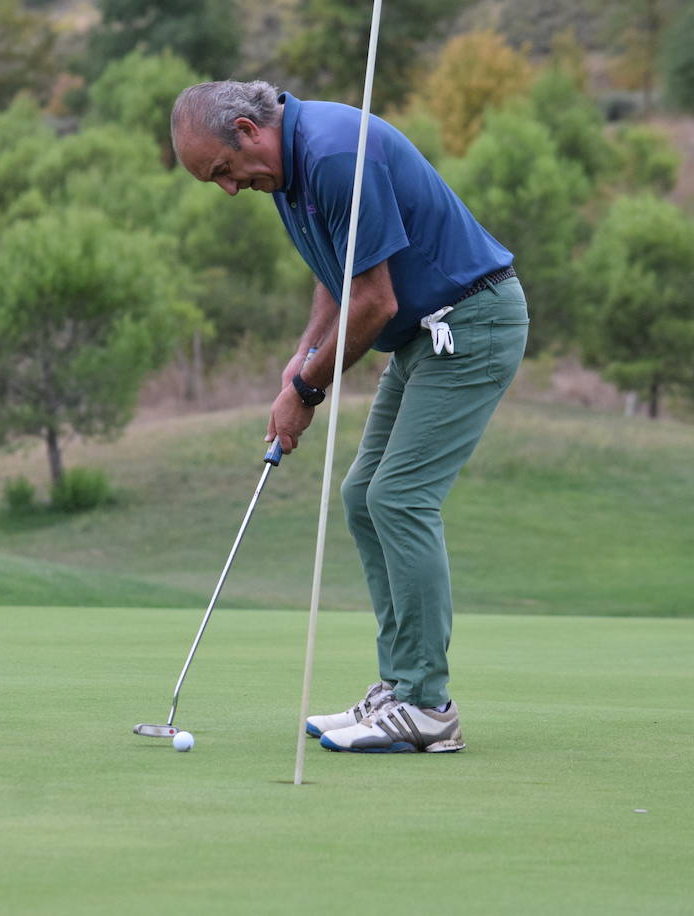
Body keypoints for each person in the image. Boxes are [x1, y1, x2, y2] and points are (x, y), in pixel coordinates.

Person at [171, 81, 529, 754]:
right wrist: (304, 353)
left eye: (222, 171)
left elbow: (373, 301)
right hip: (427, 333)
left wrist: (306, 391)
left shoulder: (332, 154)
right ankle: (399, 687)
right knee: (364, 495)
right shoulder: (289, 171)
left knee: (400, 497)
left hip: (470, 322)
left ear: (248, 131)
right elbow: (337, 272)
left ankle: (428, 705)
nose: (226, 188)